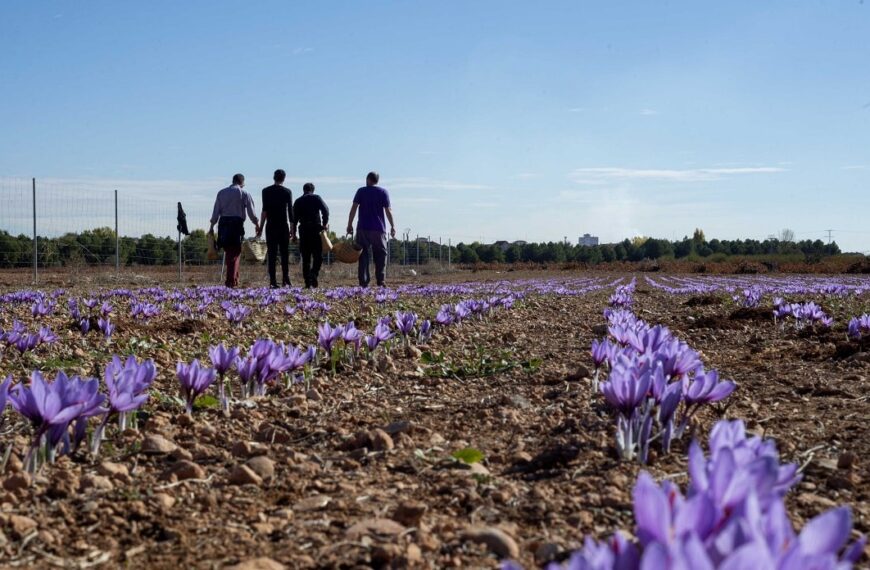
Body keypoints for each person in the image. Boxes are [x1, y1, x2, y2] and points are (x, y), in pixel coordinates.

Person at [346, 171, 395, 287]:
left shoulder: (361, 191)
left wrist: (349, 224)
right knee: (381, 254)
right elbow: (388, 210)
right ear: (377, 181)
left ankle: (364, 282)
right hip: (378, 228)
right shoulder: (383, 192)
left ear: (368, 179)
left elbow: (353, 208)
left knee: (363, 255)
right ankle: (381, 280)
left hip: (363, 228)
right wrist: (393, 226)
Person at [209, 173, 259, 288]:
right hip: (236, 223)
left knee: (229, 252)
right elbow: (251, 212)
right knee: (235, 252)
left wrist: (211, 226)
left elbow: (216, 211)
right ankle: (230, 281)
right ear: (242, 182)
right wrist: (256, 224)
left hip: (223, 224)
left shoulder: (221, 193)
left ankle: (234, 279)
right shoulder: (244, 193)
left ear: (233, 181)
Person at [257, 169, 294, 288]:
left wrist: (260, 228)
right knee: (284, 253)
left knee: (272, 254)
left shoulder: (266, 191)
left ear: (274, 177)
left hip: (271, 226)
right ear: (284, 178)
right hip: (283, 225)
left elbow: (264, 211)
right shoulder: (287, 191)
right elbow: (290, 211)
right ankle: (285, 279)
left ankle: (272, 280)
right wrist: (292, 228)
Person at [292, 182, 330, 288]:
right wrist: (324, 224)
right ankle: (313, 273)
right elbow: (325, 210)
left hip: (303, 229)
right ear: (313, 190)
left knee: (306, 257)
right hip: (315, 228)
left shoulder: (298, 201)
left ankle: (307, 282)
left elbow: (294, 220)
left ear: (303, 190)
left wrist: (293, 234)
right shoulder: (316, 198)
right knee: (318, 256)